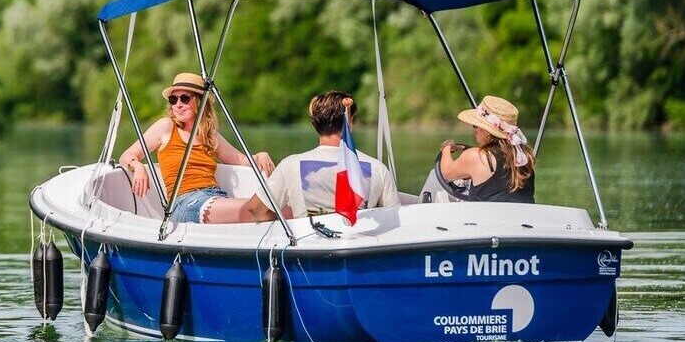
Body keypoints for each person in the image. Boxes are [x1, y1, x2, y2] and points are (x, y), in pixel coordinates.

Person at [117, 72, 276, 224]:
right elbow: (127, 155)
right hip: (186, 203)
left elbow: (241, 159)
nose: (178, 105)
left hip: (215, 197)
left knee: (281, 208)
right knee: (260, 209)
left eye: (185, 98)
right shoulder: (166, 127)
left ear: (199, 102)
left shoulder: (209, 136)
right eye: (173, 99)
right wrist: (137, 166)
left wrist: (259, 156)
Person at [244, 91, 400, 221]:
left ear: (316, 124)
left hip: (309, 248)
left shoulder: (290, 165)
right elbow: (394, 218)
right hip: (360, 246)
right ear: (349, 123)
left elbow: (256, 209)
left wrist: (288, 225)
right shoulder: (378, 168)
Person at [438, 95, 535, 203]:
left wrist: (447, 147)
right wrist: (463, 147)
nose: (474, 129)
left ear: (488, 131)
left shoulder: (476, 156)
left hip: (487, 218)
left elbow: (446, 173)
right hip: (523, 218)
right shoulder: (525, 156)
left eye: (475, 125)